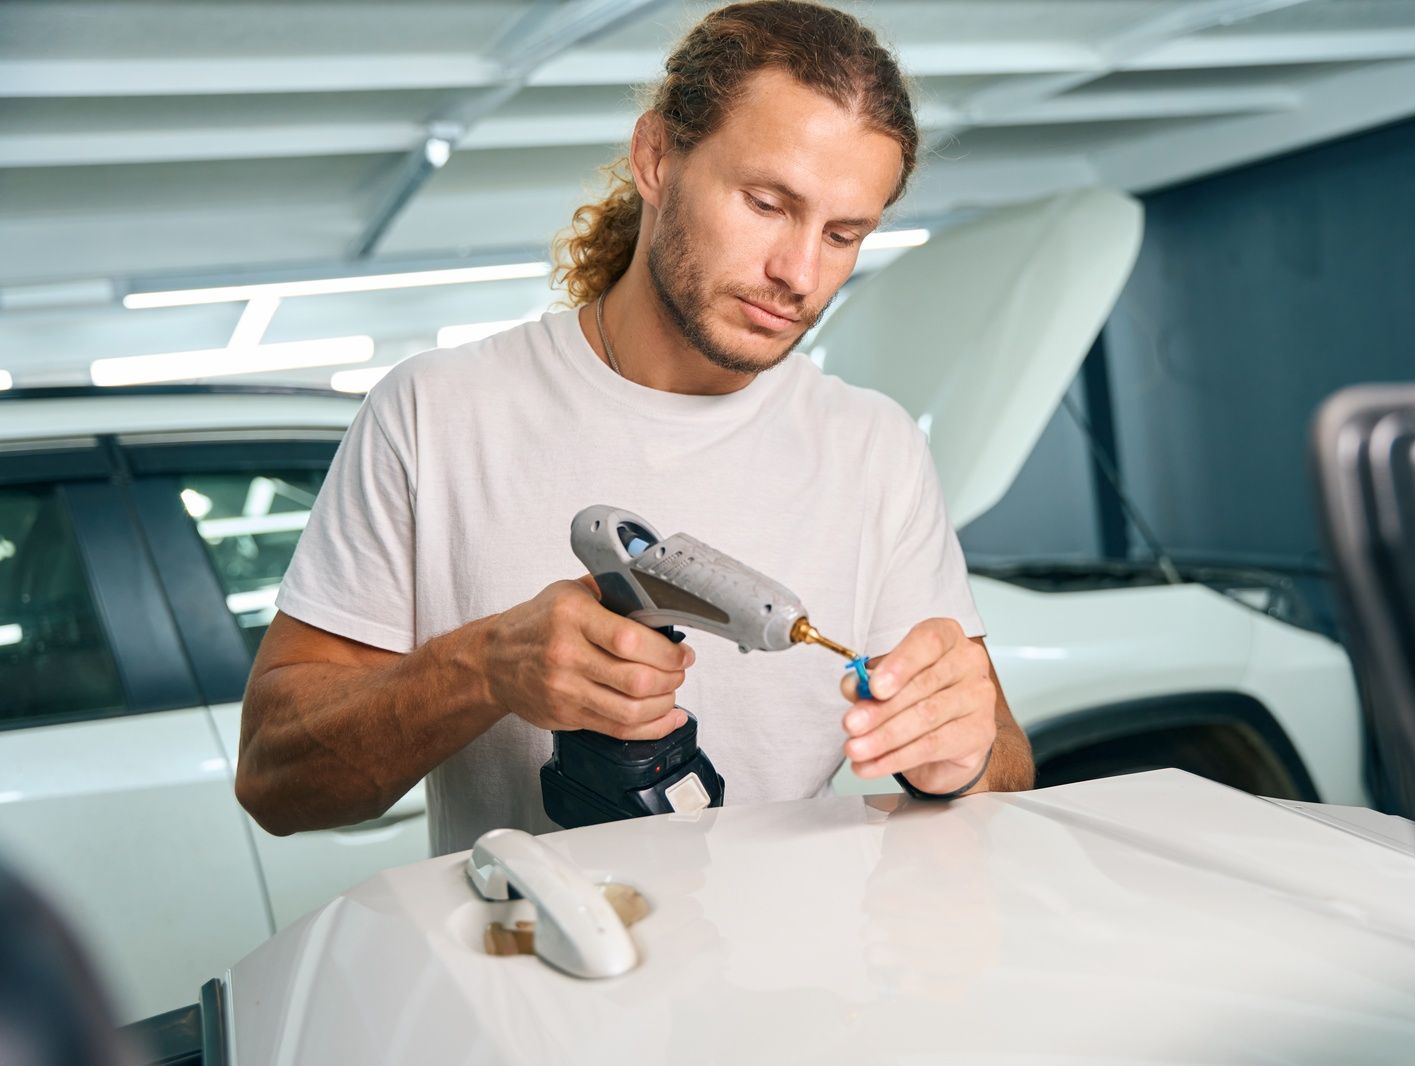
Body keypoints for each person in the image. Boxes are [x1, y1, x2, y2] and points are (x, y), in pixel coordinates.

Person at [236, 0, 1033, 854]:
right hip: (529, 938)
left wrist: (963, 758)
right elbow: (275, 782)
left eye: (843, 234)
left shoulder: (876, 449)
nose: (800, 274)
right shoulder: (434, 412)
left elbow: (1007, 767)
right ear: (655, 157)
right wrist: (486, 665)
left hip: (798, 941)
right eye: (767, 203)